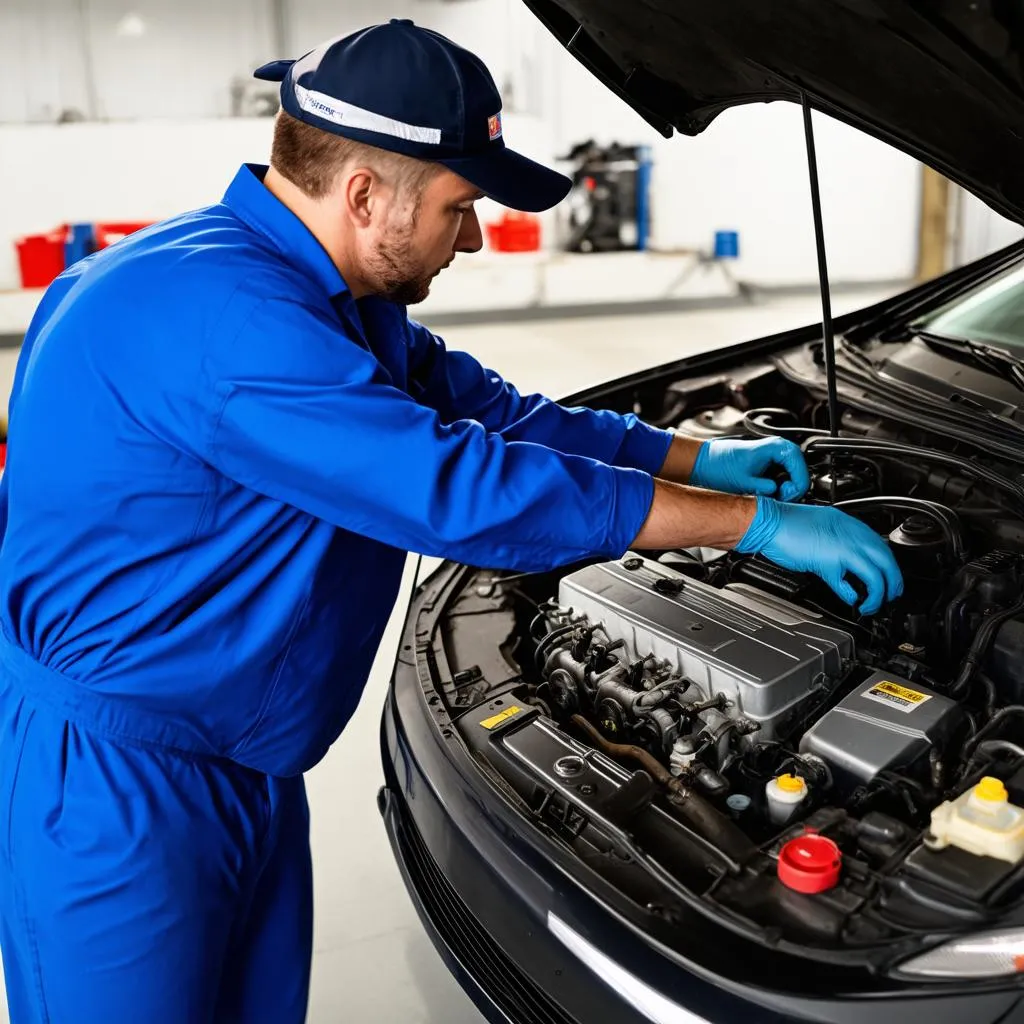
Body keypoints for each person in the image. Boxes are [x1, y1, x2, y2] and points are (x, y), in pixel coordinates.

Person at [0, 19, 902, 1024]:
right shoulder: (220, 316)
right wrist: (745, 525)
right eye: (458, 207)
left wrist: (697, 456)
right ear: (361, 195)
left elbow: (501, 416)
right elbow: (458, 490)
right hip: (119, 791)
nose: (470, 237)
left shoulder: (326, 299)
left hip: (238, 762)